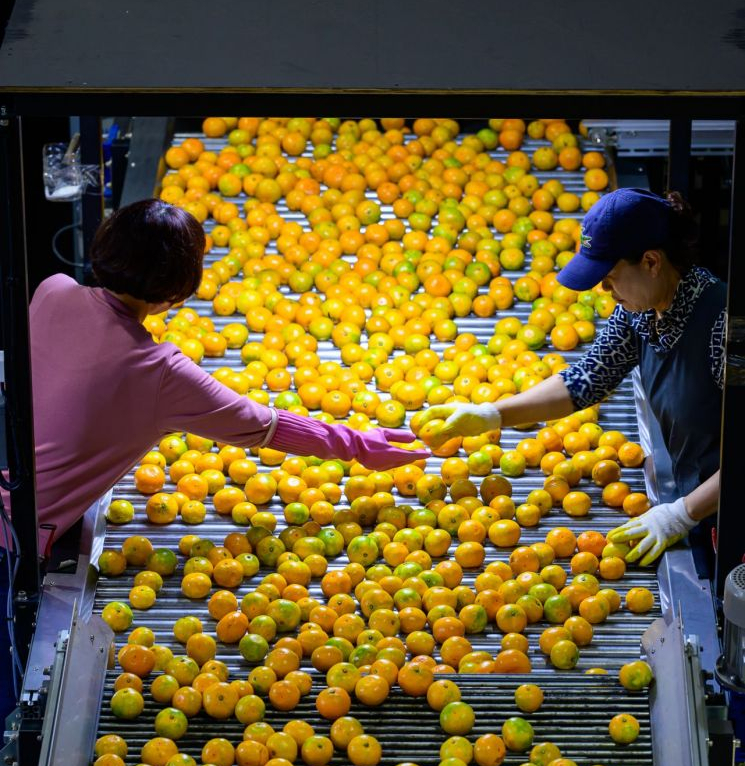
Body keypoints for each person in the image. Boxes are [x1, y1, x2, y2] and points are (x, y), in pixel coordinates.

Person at [27, 199, 427, 551]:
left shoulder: (52, 289)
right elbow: (265, 426)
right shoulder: (160, 372)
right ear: (178, 294)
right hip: (14, 537)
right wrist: (359, 444)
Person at [420, 188, 726, 570]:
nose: (605, 291)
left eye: (611, 277)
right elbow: (585, 380)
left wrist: (682, 513)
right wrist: (491, 414)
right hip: (696, 503)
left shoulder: (723, 329)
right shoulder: (642, 313)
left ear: (651, 262)